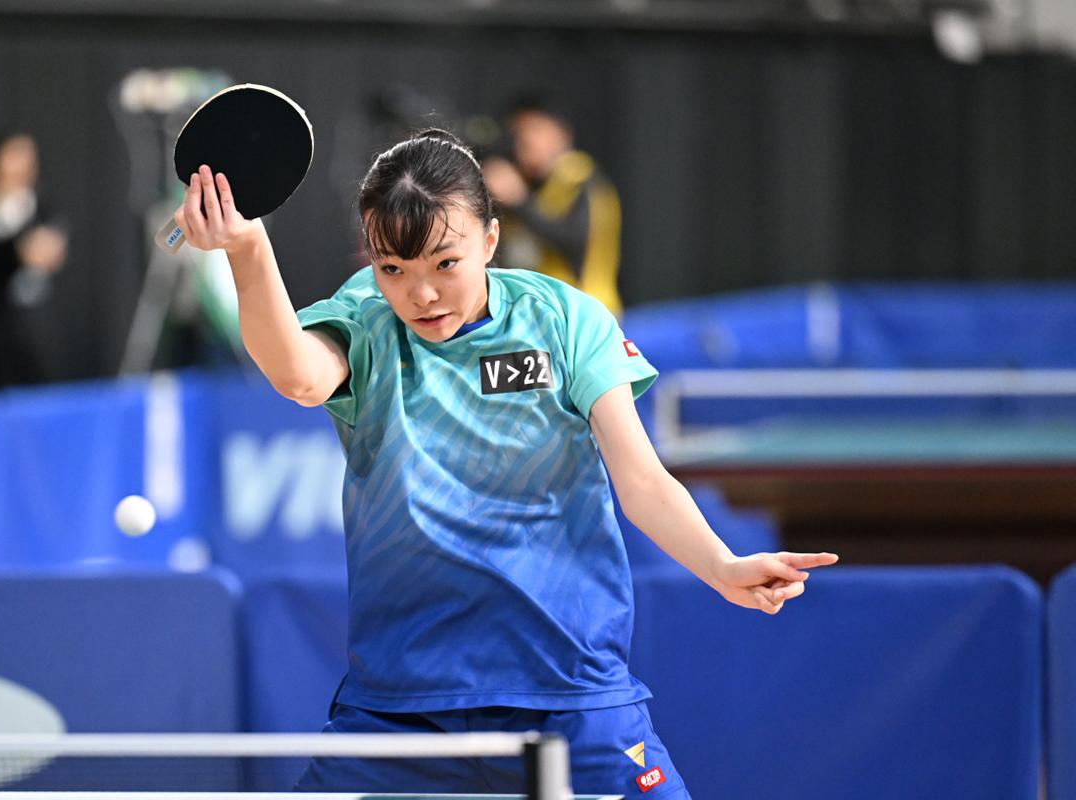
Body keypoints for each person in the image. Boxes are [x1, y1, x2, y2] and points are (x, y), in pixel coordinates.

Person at [174, 129, 838, 800]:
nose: (421, 294)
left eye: (445, 263)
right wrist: (247, 249)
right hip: (402, 704)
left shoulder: (565, 320)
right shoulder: (366, 319)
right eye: (393, 268)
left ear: (490, 240)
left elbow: (640, 479)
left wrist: (721, 565)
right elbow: (299, 376)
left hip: (568, 691)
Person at [483, 99, 624, 316]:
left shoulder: (581, 180)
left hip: (586, 311)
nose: (527, 140)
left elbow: (574, 241)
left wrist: (520, 201)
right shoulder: (535, 186)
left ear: (563, 134)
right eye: (518, 132)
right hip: (547, 310)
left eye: (536, 129)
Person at [0, 132, 67, 389]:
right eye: (15, 155)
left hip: (36, 333)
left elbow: (53, 252)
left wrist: (48, 250)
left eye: (28, 157)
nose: (23, 163)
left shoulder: (43, 209)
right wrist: (21, 251)